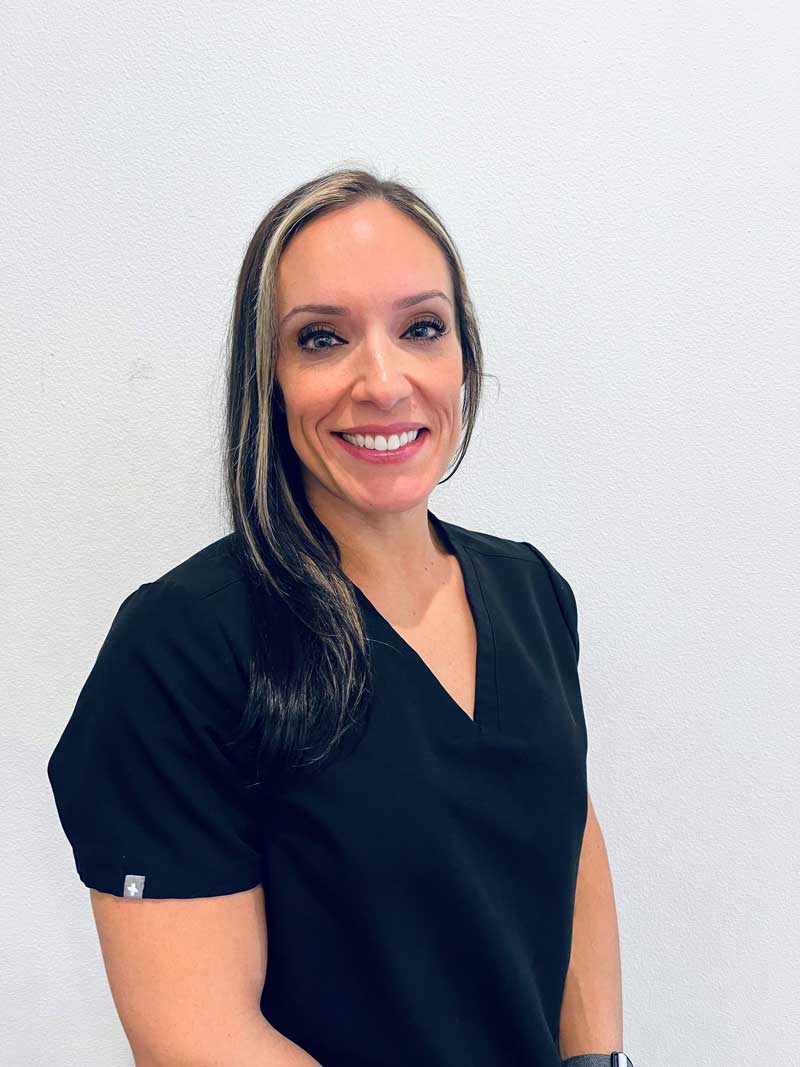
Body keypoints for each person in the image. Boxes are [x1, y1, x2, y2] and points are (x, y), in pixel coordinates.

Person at [47, 168, 630, 1067]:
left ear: (463, 356)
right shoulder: (182, 648)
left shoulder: (531, 593)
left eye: (421, 328)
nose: (384, 382)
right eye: (322, 338)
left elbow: (569, 836)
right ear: (270, 379)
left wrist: (598, 1060)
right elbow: (194, 1036)